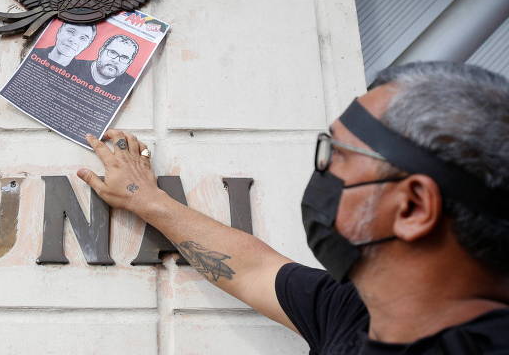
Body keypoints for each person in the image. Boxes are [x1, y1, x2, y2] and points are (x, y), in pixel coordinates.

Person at [77, 62, 509, 353]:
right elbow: (253, 270)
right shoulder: (355, 314)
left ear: (413, 207)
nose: (321, 171)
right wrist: (147, 199)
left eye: (336, 154)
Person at [68, 34, 138, 99]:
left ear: (129, 63)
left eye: (124, 57)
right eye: (112, 52)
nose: (116, 61)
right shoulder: (72, 66)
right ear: (101, 51)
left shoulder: (131, 85)